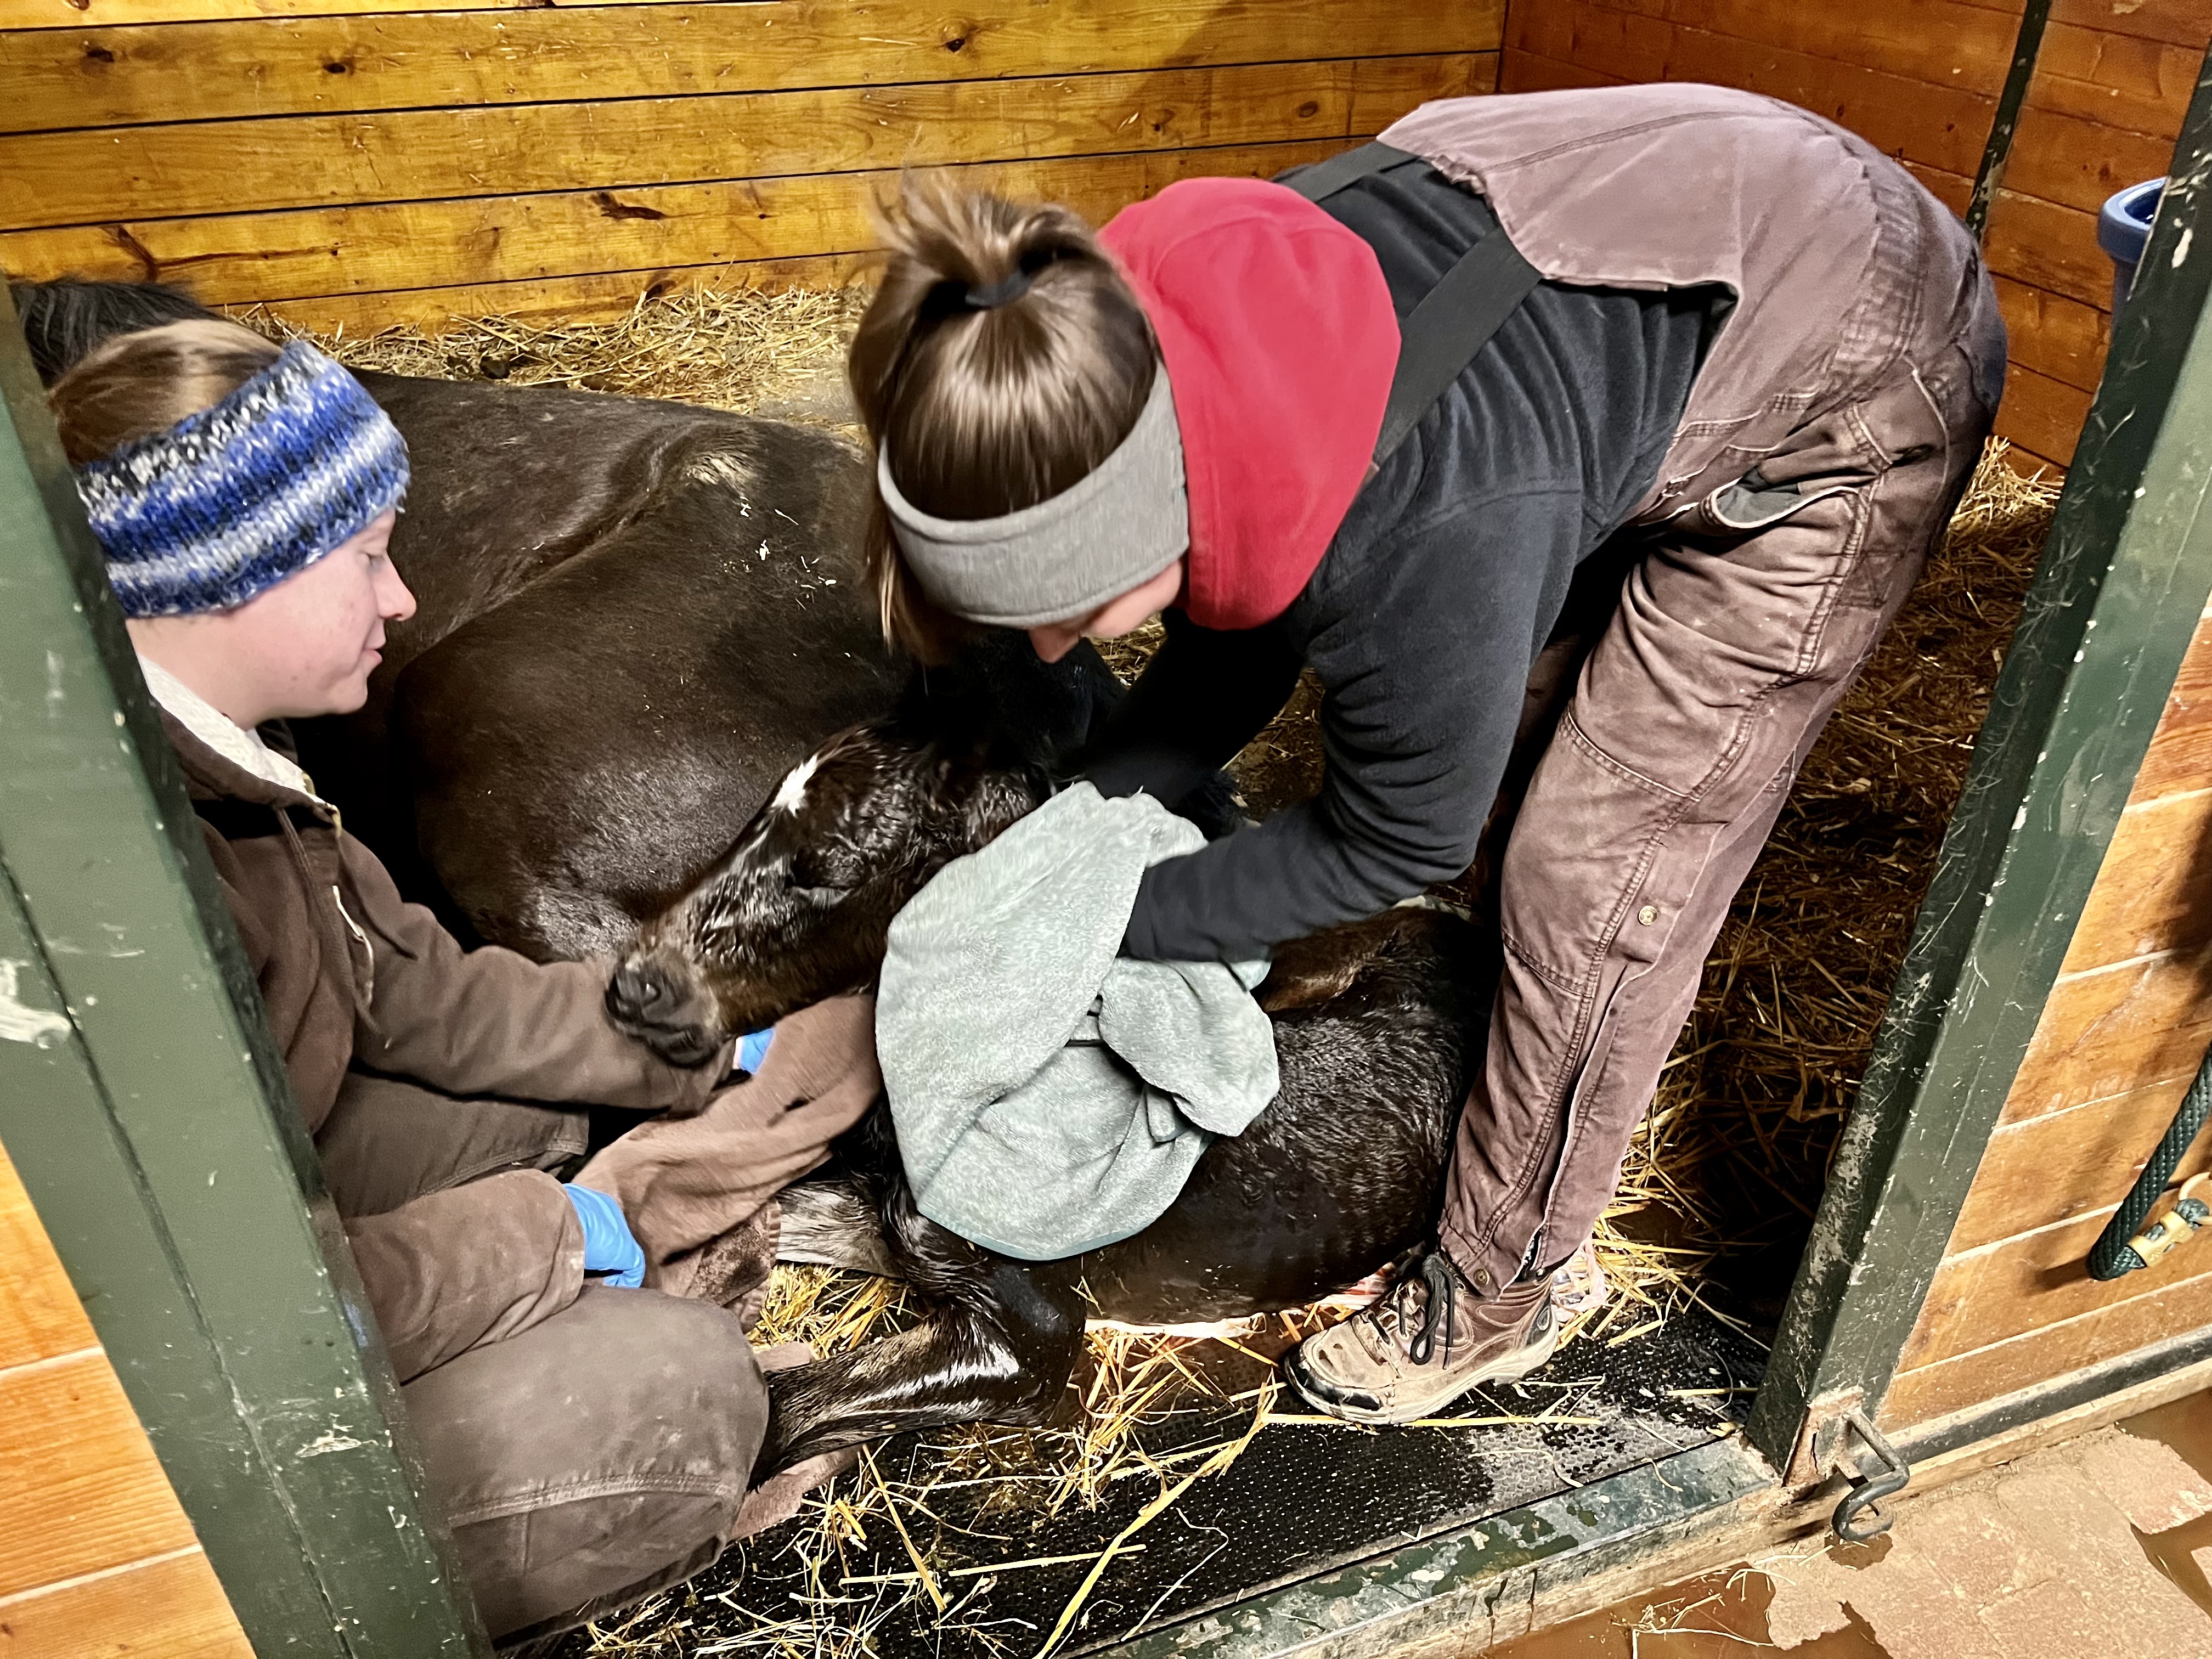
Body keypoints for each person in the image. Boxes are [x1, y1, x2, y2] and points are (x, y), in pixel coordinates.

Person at [849, 82, 2004, 1424]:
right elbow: (1238, 616)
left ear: (1143, 526)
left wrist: (1116, 918)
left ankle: (1503, 1289)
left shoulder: (1421, 534)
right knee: (1496, 711)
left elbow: (1401, 834)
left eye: (1062, 612)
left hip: (1854, 356)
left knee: (1589, 872)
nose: (1051, 651)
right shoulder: (1141, 368)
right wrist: (1079, 831)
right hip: (1646, 249)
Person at [49, 319, 878, 1642]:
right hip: (149, 1414)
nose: (404, 600)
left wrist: (708, 1027)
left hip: (241, 1204)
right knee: (686, 1393)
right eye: (366, 559)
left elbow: (422, 993)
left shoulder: (222, 766)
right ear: (230, 578)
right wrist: (565, 1234)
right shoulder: (125, 887)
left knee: (531, 1116)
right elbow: (249, 1314)